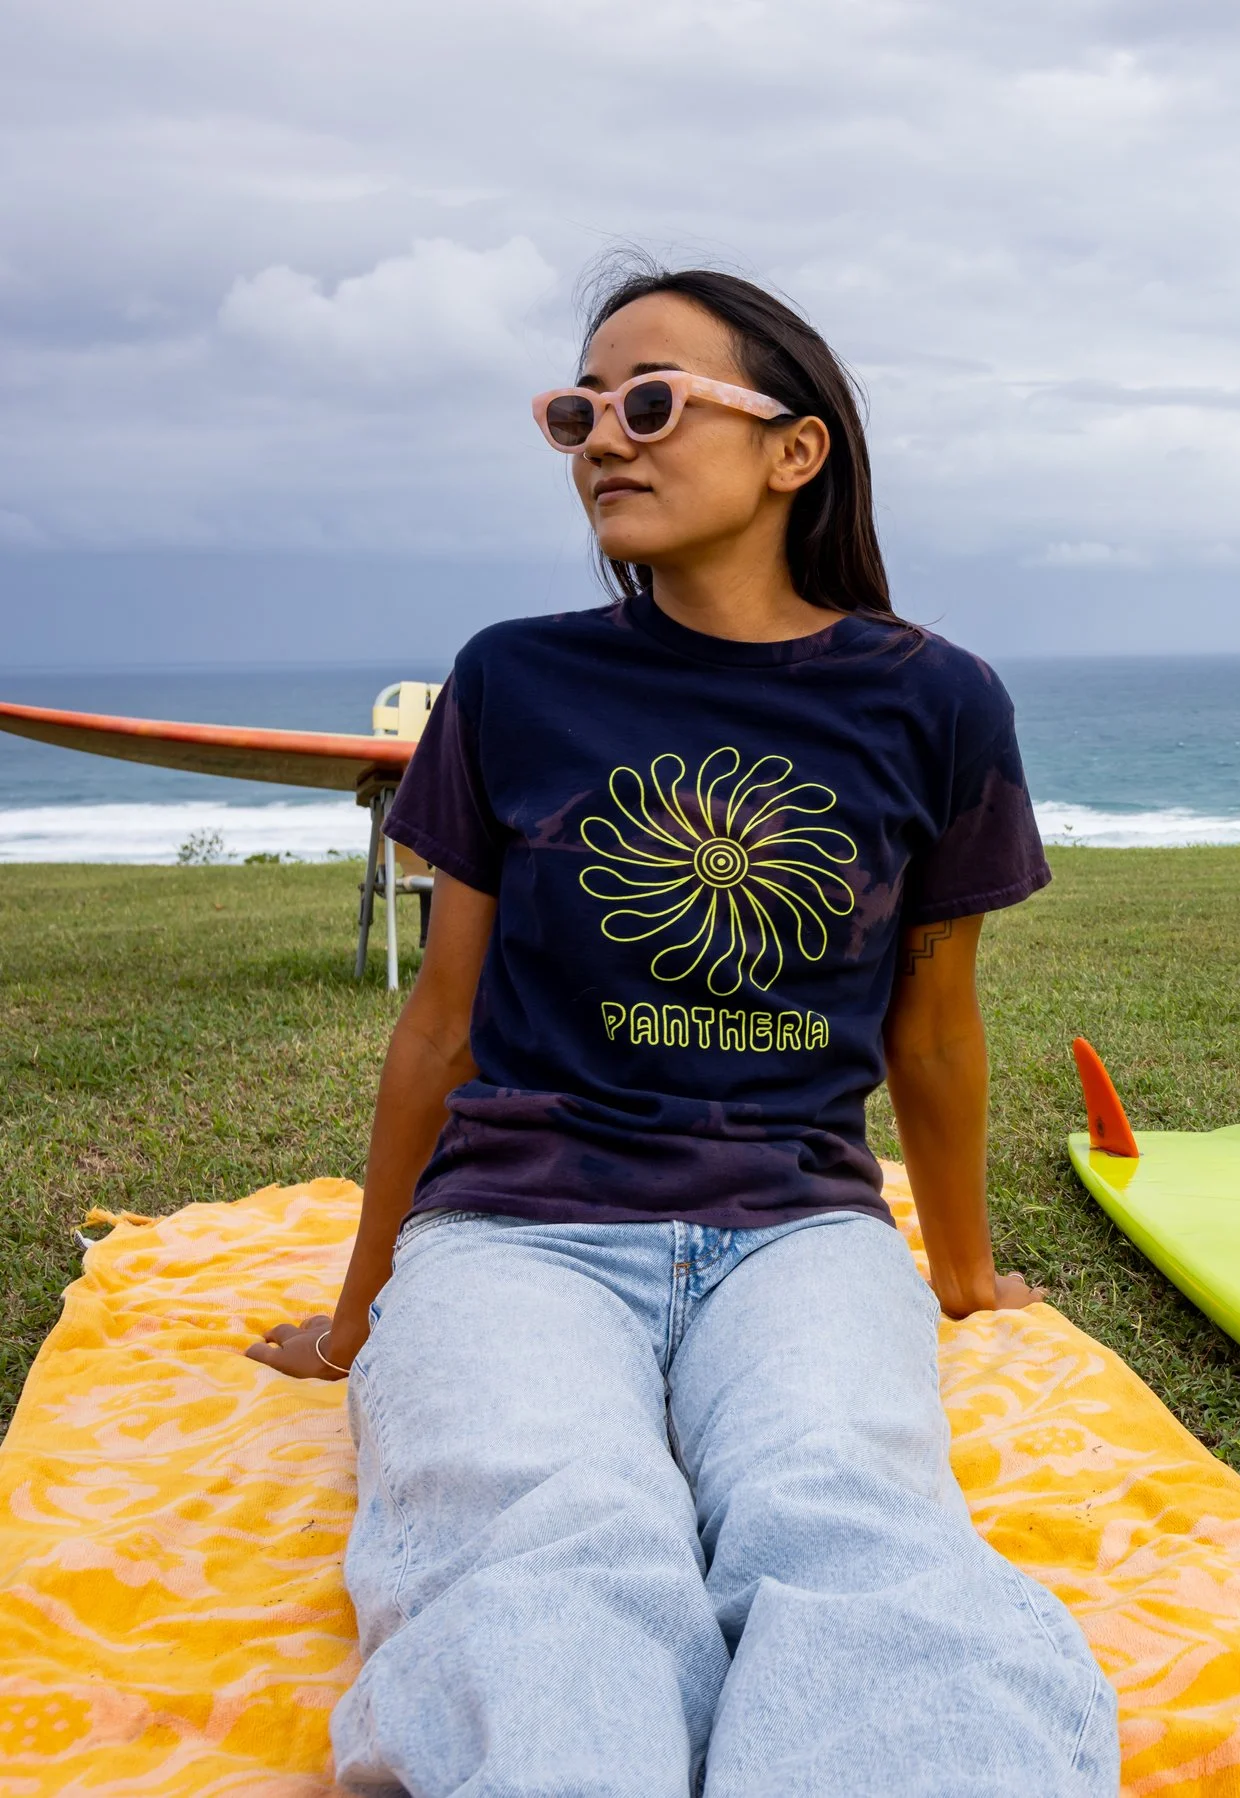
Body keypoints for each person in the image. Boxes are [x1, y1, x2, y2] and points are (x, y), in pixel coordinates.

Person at [247, 264, 1118, 1797]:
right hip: (516, 1222)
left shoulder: (937, 701)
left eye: (650, 401)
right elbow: (440, 1026)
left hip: (797, 1230)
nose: (603, 438)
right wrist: (357, 1314)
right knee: (550, 1530)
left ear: (797, 451)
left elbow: (935, 1027)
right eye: (577, 409)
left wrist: (966, 1277)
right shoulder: (515, 677)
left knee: (853, 1520)